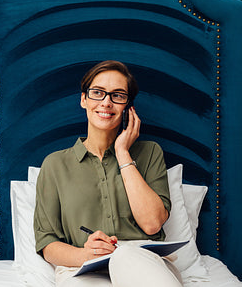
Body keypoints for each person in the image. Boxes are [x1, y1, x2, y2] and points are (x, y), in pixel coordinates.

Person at [33, 60, 183, 287]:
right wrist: (86, 253)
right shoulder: (54, 164)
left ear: (128, 107)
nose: (106, 102)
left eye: (118, 95)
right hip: (83, 269)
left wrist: (123, 153)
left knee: (126, 255)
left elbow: (152, 224)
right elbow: (47, 243)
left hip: (142, 262)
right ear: (84, 99)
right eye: (98, 93)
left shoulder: (150, 152)